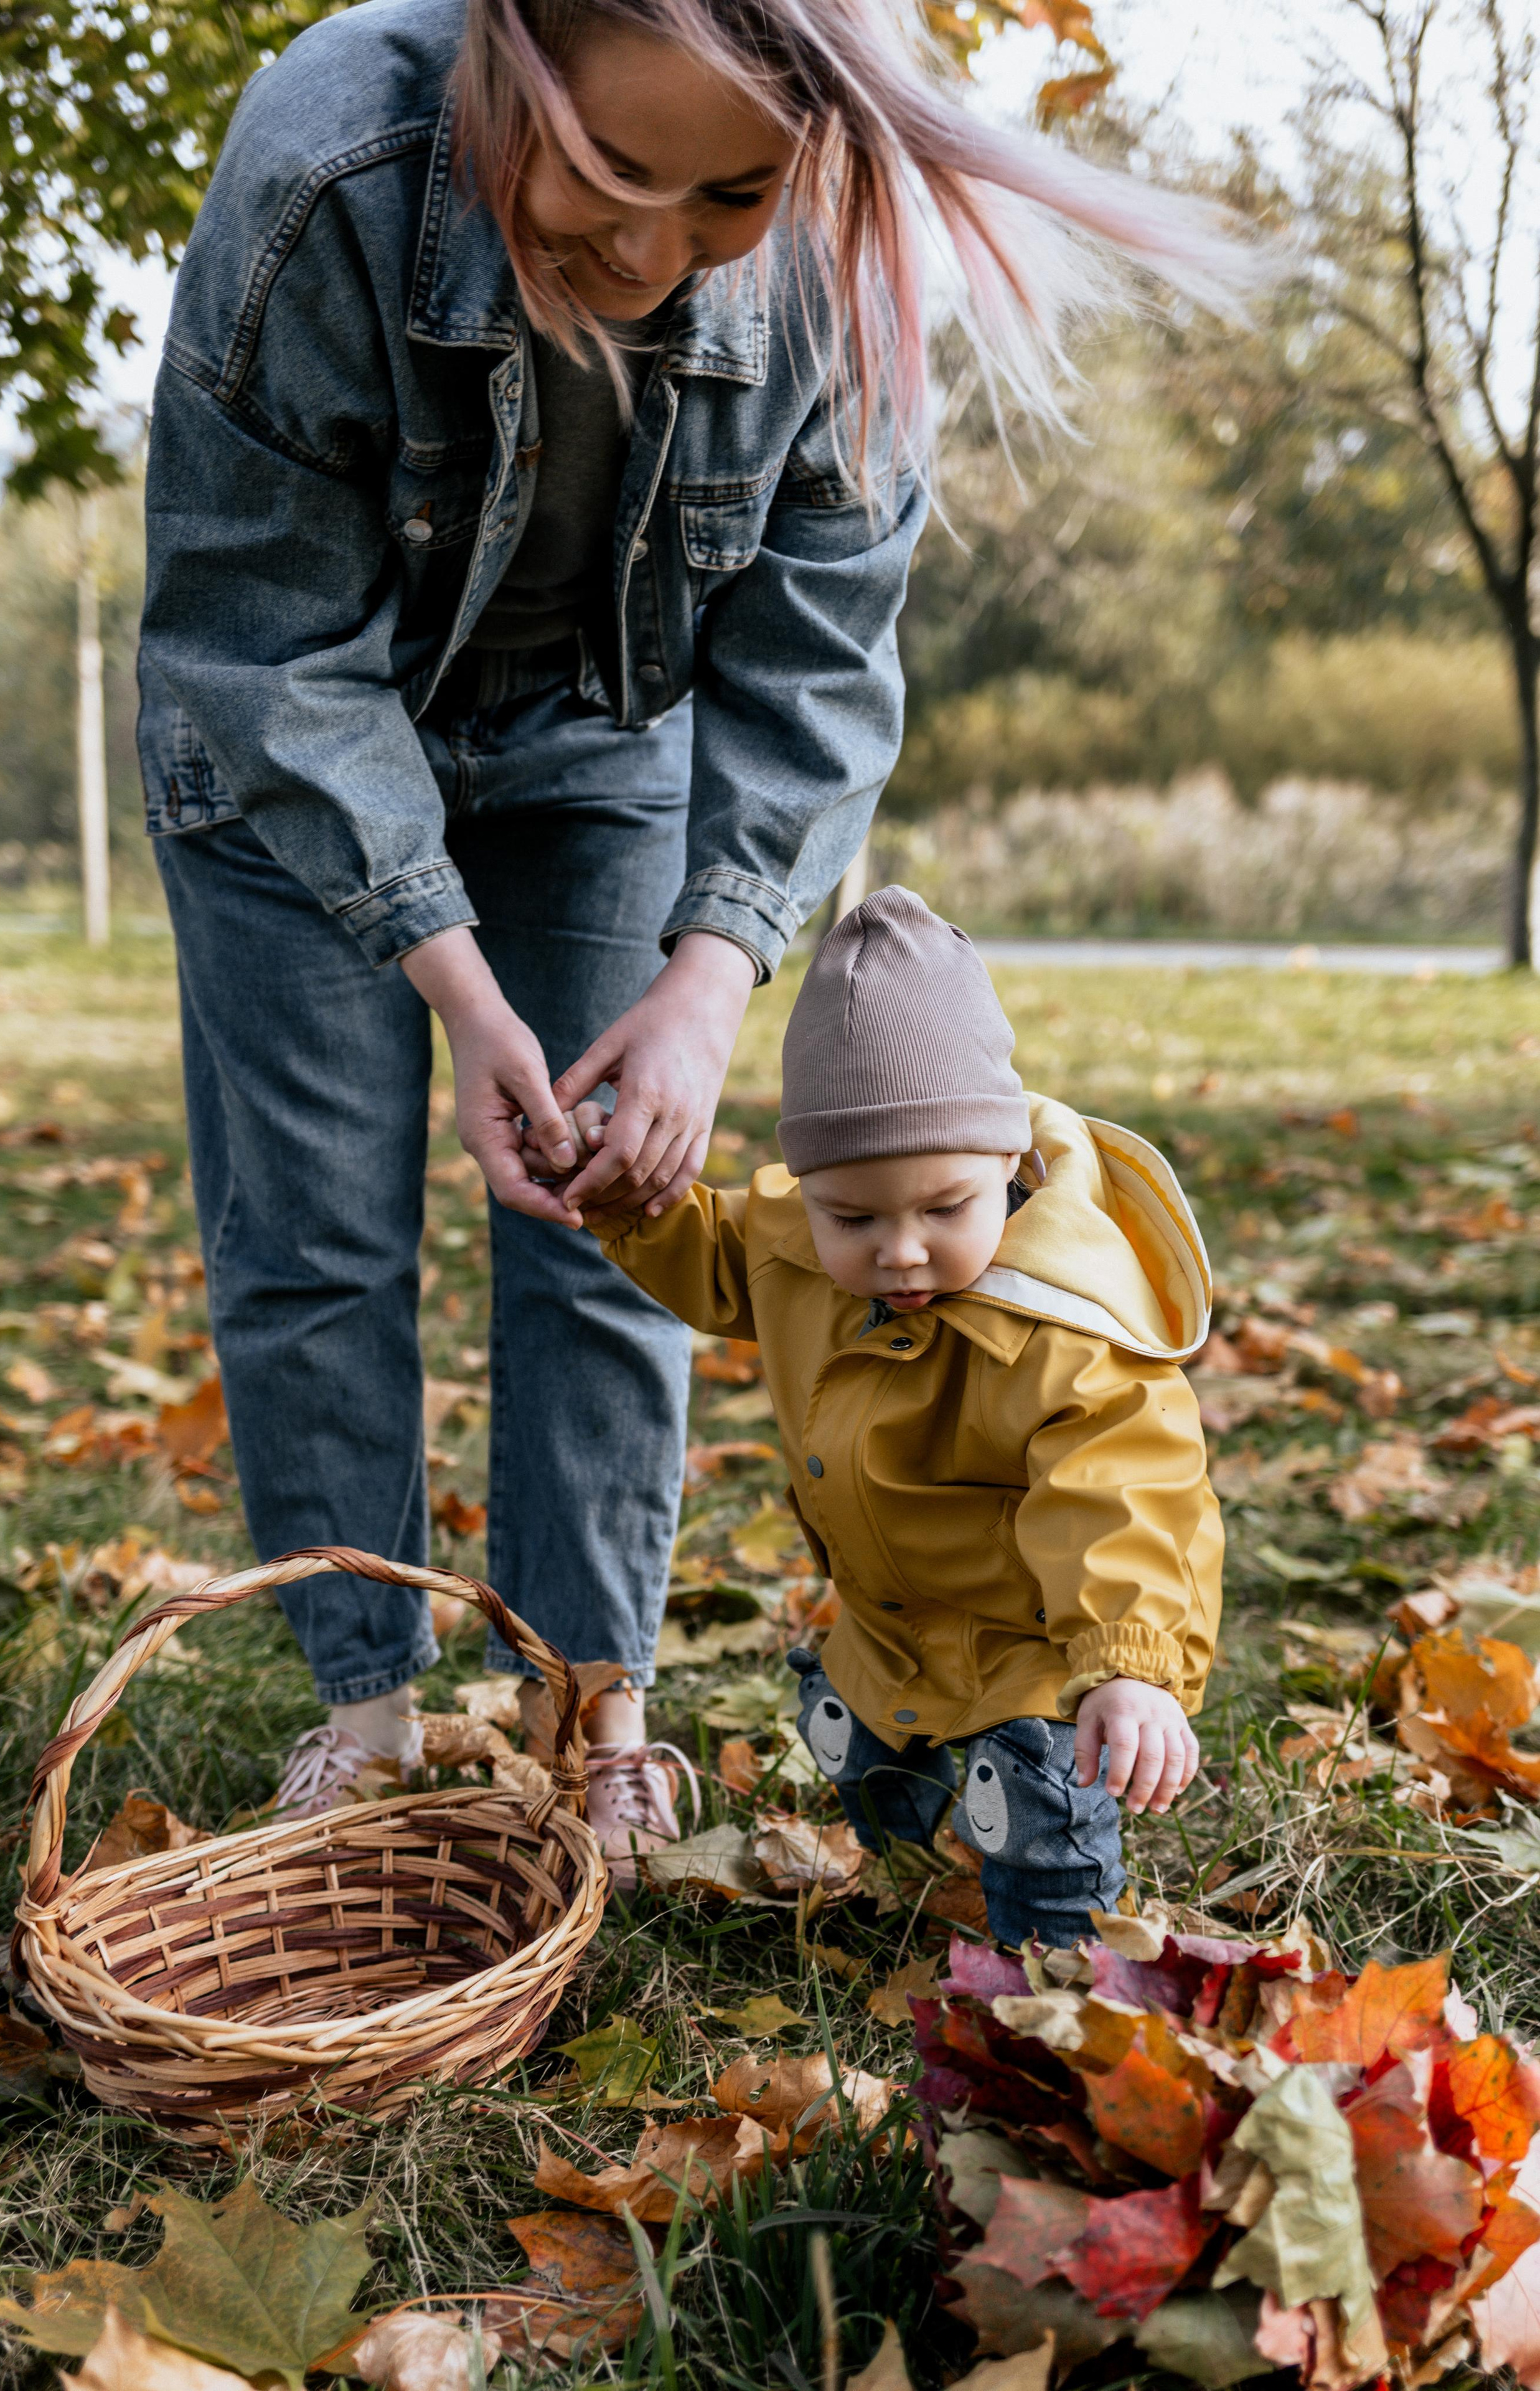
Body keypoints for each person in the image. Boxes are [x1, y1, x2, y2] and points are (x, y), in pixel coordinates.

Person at [136, 0, 1248, 1872]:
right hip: (286, 739)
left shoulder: (838, 253)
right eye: (609, 177)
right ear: (514, 54)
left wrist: (710, 974)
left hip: (602, 737)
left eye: (729, 193)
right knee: (313, 1234)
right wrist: (461, 982)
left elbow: (819, 659)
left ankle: (596, 1708)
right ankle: (371, 1708)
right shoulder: (325, 156)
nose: (654, 256)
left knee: (608, 1216)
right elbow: (261, 633)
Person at [528, 888, 1222, 1943]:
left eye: (946, 1209)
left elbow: (1125, 1496)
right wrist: (625, 1195)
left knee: (1035, 1814)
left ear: (1008, 1165)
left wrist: (1128, 1662)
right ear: (807, 1189)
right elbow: (725, 1257)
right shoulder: (801, 1242)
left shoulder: (1068, 1331)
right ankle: (915, 1895)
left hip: (1035, 1647)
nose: (900, 1250)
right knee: (879, 1765)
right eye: (852, 1216)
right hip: (891, 1629)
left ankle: (1059, 1971)